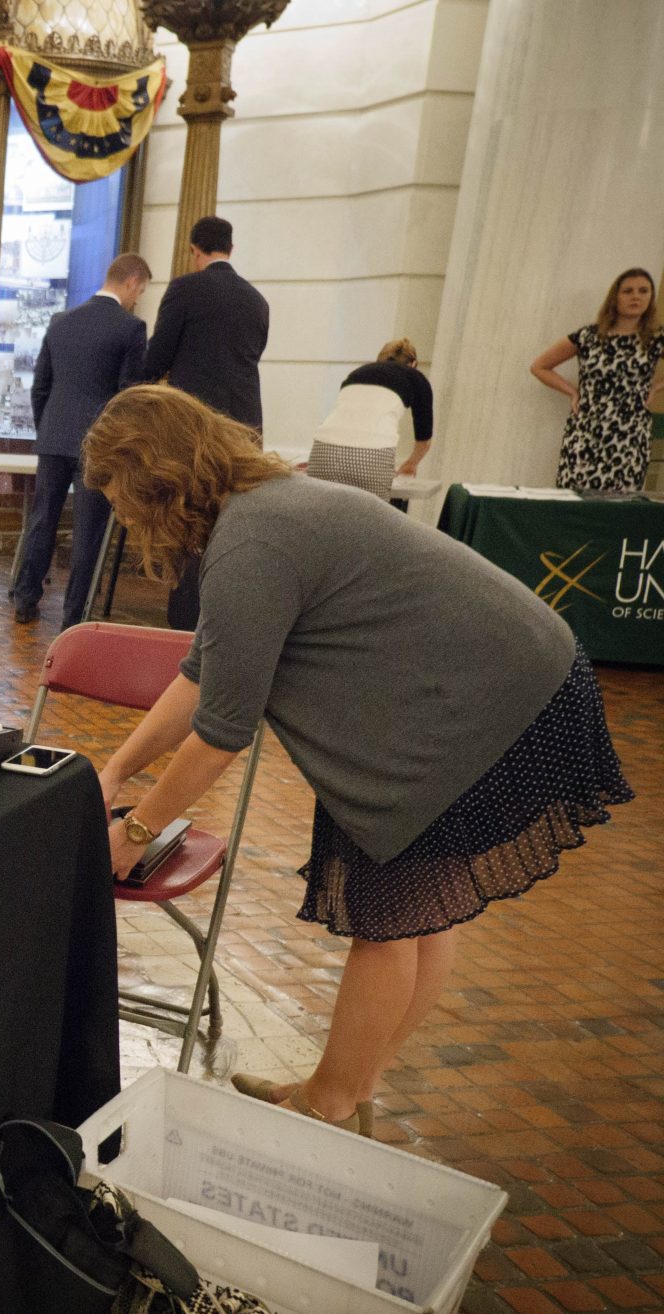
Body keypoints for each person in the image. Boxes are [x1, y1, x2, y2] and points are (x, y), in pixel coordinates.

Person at [82, 385, 630, 1133]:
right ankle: (348, 1084)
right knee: (425, 918)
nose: (121, 515)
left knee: (390, 925)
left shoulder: (252, 540)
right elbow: (205, 671)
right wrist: (117, 770)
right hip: (508, 683)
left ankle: (327, 1107)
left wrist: (137, 830)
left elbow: (223, 730)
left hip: (480, 706)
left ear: (156, 478)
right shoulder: (262, 511)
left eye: (118, 495)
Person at [139, 216, 270, 629]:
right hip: (246, 431)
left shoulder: (184, 289)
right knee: (231, 523)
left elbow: (157, 357)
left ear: (195, 251)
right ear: (231, 249)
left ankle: (184, 627)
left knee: (188, 521)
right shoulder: (257, 300)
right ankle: (223, 620)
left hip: (193, 429)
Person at [9, 252, 151, 628]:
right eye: (141, 291)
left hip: (54, 439)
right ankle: (75, 616)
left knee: (42, 520)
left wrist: (49, 430)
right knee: (89, 531)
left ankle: (25, 600)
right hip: (99, 445)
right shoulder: (131, 328)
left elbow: (40, 388)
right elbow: (127, 397)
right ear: (133, 282)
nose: (138, 299)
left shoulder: (60, 321)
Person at [531, 266, 664, 494]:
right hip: (586, 432)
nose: (636, 296)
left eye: (643, 291)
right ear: (615, 296)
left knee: (617, 511)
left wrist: (656, 388)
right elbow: (539, 366)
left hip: (629, 437)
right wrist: (573, 392)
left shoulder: (655, 338)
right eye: (628, 291)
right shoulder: (589, 336)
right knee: (572, 502)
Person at [305, 338, 434, 502]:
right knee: (371, 522)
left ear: (380, 360)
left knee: (319, 516)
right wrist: (411, 463)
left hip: (323, 451)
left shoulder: (357, 373)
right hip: (371, 456)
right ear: (413, 363)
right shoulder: (416, 377)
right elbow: (424, 440)